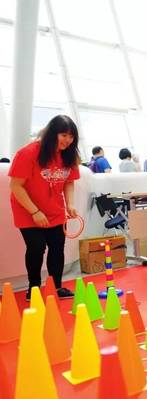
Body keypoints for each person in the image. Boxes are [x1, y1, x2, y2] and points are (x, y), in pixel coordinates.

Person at [8, 115, 80, 300]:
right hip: (27, 210)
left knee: (57, 248)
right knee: (36, 247)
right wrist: (35, 211)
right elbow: (16, 186)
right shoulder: (28, 153)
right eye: (63, 134)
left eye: (71, 136)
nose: (67, 140)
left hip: (55, 210)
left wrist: (70, 204)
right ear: (52, 133)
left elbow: (69, 182)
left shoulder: (69, 155)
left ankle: (56, 287)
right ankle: (33, 289)